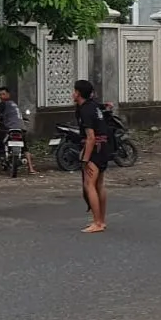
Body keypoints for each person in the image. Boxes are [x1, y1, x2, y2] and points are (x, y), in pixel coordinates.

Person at [72, 80, 110, 234]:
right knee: (99, 184)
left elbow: (91, 138)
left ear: (78, 93)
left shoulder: (85, 110)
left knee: (89, 184)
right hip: (104, 146)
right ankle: (101, 220)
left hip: (95, 148)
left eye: (74, 91)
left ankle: (97, 223)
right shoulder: (94, 106)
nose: (72, 94)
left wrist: (85, 160)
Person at [0, 87, 34, 175]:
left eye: (3, 94)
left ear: (8, 94)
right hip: (21, 128)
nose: (1, 96)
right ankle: (31, 168)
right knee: (25, 147)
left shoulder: (3, 104)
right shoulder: (14, 104)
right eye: (0, 94)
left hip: (9, 128)